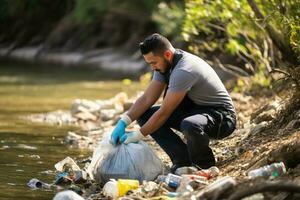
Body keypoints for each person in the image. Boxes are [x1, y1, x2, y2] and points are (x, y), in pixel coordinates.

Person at [110, 33, 236, 172]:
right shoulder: (164, 65)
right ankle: (183, 161)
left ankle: (204, 166)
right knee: (145, 115)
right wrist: (123, 122)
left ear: (168, 55)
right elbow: (147, 99)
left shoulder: (184, 69)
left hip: (221, 117)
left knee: (190, 125)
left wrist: (138, 135)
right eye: (149, 63)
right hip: (195, 110)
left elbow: (165, 112)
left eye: (153, 62)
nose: (152, 67)